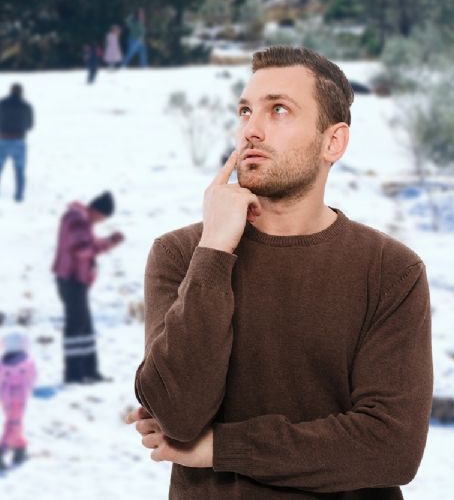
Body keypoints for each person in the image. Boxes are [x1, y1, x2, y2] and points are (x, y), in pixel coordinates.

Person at [125, 46, 433, 499]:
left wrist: (221, 448)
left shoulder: (391, 270)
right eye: (246, 111)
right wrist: (214, 249)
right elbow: (178, 416)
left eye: (279, 110)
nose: (251, 129)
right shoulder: (182, 254)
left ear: (334, 142)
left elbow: (391, 448)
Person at [52, 191, 124, 384]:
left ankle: (89, 371)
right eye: (102, 217)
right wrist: (108, 243)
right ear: (97, 210)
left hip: (74, 280)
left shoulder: (80, 218)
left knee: (84, 326)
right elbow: (81, 250)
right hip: (72, 279)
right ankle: (75, 373)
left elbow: (86, 244)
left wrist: (107, 242)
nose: (100, 222)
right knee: (77, 327)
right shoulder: (78, 219)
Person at [0, 332, 38, 471]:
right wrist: (30, 387)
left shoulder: (2, 365)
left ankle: (20, 449)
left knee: (13, 423)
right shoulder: (28, 364)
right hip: (19, 398)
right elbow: (33, 379)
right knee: (13, 426)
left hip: (4, 399)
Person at [0, 83, 34, 202]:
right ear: (21, 92)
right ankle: (19, 196)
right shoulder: (26, 106)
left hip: (3, 138)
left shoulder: (1, 103)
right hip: (19, 139)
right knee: (19, 170)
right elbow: (30, 124)